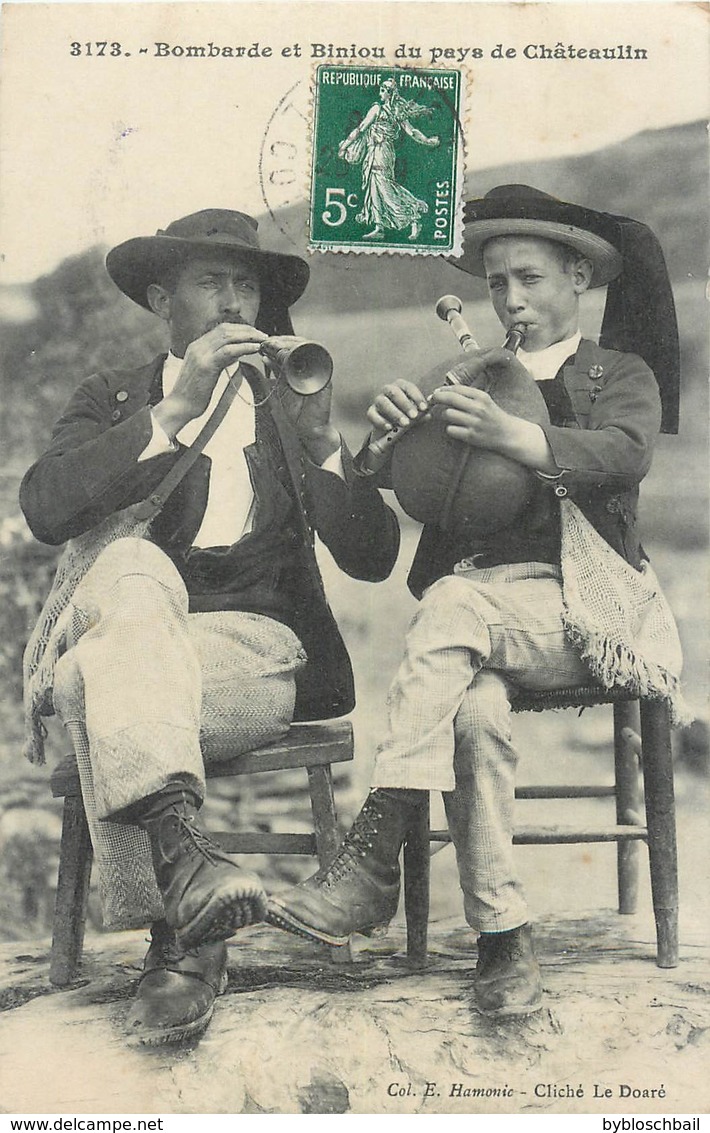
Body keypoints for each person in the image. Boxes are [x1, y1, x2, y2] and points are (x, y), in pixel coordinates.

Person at [266, 185, 686, 1018]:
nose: (511, 299)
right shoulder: (460, 377)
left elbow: (624, 456)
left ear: (579, 276)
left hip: (588, 614)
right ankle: (505, 940)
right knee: (472, 713)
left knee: (454, 604)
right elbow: (401, 514)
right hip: (477, 632)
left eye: (529, 279)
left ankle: (374, 854)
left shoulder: (618, 374)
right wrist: (377, 450)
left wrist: (512, 436)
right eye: (496, 283)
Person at [20, 209, 400, 1044]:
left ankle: (181, 926)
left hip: (258, 651)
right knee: (129, 573)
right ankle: (189, 906)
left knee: (90, 677)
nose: (235, 304)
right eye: (210, 284)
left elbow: (374, 557)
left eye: (247, 286)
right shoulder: (114, 397)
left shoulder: (286, 405)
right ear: (162, 299)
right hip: (145, 636)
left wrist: (324, 440)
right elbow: (45, 509)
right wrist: (173, 412)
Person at [339, 78, 440, 240]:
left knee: (384, 187)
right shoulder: (391, 111)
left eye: (383, 89)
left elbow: (361, 129)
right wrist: (427, 141)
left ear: (390, 93)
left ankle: (413, 217)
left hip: (381, 151)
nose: (381, 91)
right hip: (375, 151)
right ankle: (379, 227)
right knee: (375, 187)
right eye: (381, 88)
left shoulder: (379, 109)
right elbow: (411, 131)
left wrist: (344, 146)